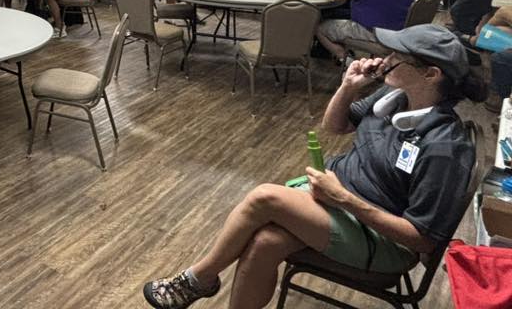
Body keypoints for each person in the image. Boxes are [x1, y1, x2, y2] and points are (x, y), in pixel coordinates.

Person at [142, 24, 485, 309]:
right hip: (338, 205)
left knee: (265, 197)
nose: (388, 59)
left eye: (399, 56)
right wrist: (347, 88)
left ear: (430, 74)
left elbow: (422, 240)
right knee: (265, 243)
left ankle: (198, 280)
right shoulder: (392, 99)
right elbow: (335, 126)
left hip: (383, 240)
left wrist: (344, 200)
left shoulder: (444, 148)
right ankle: (204, 284)